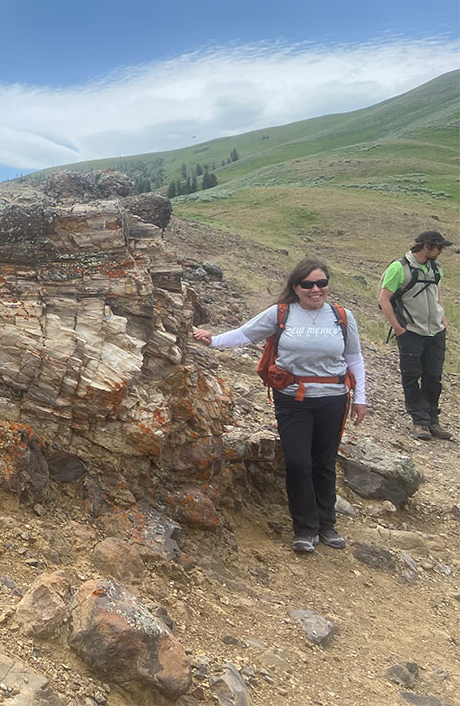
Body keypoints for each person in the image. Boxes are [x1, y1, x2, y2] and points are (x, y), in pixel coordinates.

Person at [193, 258, 366, 554]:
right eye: (308, 284)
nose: (316, 289)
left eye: (321, 283)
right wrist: (212, 341)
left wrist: (361, 397)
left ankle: (327, 525)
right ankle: (305, 529)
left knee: (323, 463)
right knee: (298, 463)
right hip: (292, 400)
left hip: (334, 398)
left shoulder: (342, 316)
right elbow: (246, 333)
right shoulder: (281, 313)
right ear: (295, 287)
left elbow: (354, 358)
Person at [378, 230, 452, 441]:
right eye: (439, 248)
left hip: (436, 331)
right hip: (411, 332)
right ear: (428, 246)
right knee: (411, 377)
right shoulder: (399, 268)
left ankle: (432, 420)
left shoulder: (436, 268)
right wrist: (400, 329)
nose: (441, 253)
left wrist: (443, 321)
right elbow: (384, 299)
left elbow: (437, 295)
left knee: (433, 377)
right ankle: (419, 421)